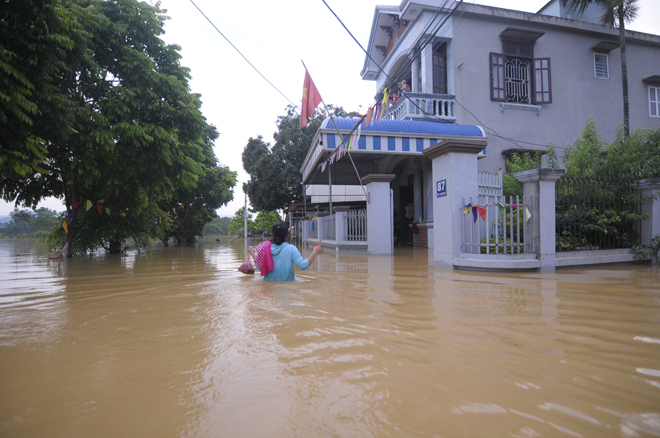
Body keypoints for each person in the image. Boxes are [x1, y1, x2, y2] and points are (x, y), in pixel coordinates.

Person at [248, 222, 322, 281]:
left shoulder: (264, 248)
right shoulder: (291, 249)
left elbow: (260, 267)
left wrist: (253, 253)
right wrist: (314, 252)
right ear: (287, 235)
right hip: (286, 292)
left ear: (272, 234)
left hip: (269, 293)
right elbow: (303, 266)